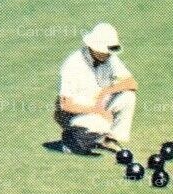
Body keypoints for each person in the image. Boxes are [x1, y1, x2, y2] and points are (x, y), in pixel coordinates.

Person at [55, 23, 138, 155]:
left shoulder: (109, 57)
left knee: (128, 97)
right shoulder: (73, 64)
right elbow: (66, 105)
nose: (109, 55)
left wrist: (105, 92)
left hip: (100, 106)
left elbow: (132, 83)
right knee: (101, 125)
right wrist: (97, 111)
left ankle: (110, 139)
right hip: (78, 113)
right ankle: (72, 139)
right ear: (94, 47)